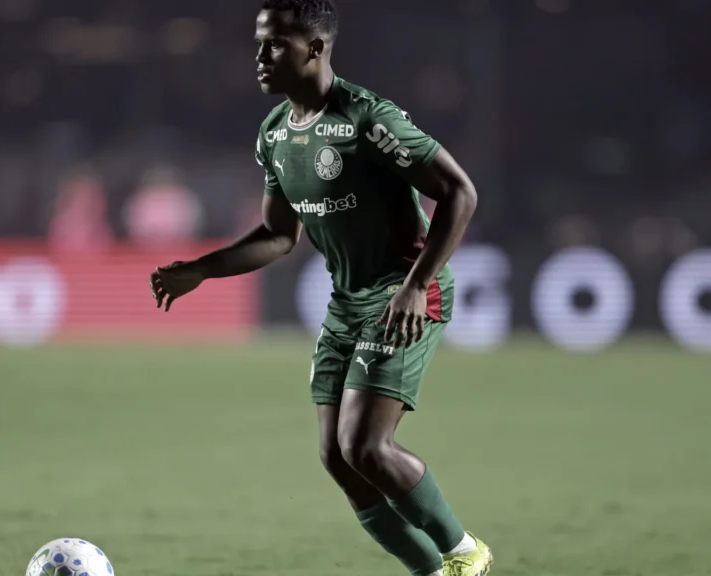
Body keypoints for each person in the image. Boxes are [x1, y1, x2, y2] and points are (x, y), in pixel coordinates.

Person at [149, 2, 491, 575]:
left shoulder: (368, 118)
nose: (260, 56)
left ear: (314, 47)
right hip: (347, 300)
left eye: (275, 44)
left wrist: (416, 285)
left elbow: (460, 192)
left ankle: (464, 553)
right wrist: (202, 269)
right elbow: (279, 236)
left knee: (365, 446)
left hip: (402, 294)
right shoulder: (275, 133)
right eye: (259, 43)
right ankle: (431, 572)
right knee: (337, 457)